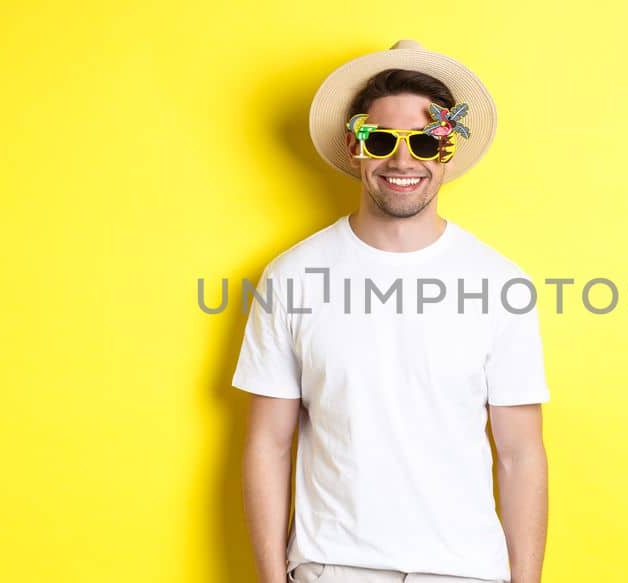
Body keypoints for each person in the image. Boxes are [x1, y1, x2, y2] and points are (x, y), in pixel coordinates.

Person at [233, 40, 550, 583]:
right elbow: (268, 442)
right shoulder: (290, 277)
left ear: (446, 150)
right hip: (334, 566)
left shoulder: (501, 284)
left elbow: (521, 454)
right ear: (356, 147)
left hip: (464, 572)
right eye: (382, 139)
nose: (403, 161)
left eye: (426, 142)